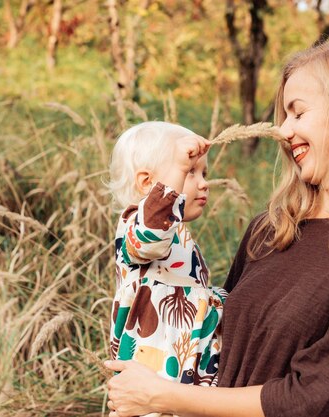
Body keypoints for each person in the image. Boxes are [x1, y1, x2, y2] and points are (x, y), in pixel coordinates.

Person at [104, 39, 329, 417]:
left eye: (297, 113)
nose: (284, 131)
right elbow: (218, 359)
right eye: (284, 116)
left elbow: (319, 400)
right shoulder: (270, 231)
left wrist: (162, 396)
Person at [107, 122, 228, 416]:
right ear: (148, 183)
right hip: (152, 377)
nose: (203, 183)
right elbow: (151, 237)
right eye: (189, 172)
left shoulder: (180, 236)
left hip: (182, 375)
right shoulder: (139, 225)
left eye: (204, 173)